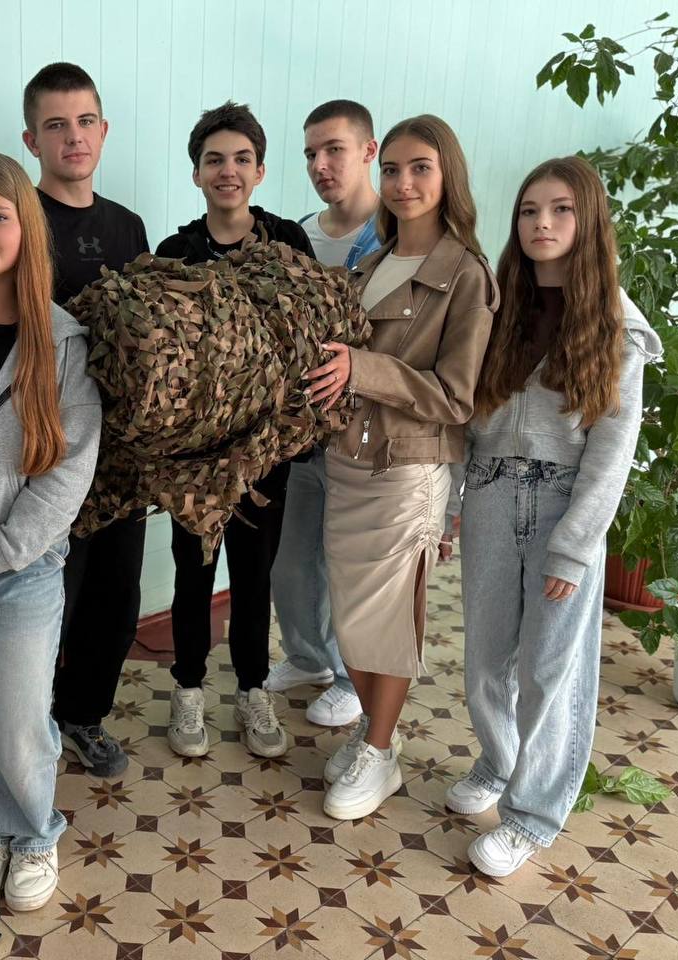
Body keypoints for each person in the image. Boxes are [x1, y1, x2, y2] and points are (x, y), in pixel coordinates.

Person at [441, 156, 661, 877]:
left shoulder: (617, 326)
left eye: (561, 209)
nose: (542, 223)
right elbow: (466, 418)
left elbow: (612, 450)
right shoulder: (499, 307)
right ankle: (499, 762)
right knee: (485, 661)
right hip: (491, 495)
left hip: (564, 504)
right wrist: (451, 505)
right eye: (530, 209)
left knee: (548, 669)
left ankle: (533, 816)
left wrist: (574, 547)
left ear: (588, 219)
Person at [304, 115, 497, 821]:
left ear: (448, 178)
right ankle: (373, 732)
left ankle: (380, 749)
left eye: (421, 168)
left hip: (406, 468)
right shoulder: (370, 260)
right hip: (347, 459)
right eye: (392, 169)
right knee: (351, 616)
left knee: (387, 620)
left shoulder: (466, 275)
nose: (403, 182)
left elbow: (457, 396)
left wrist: (365, 369)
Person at [0, 151, 101, 911]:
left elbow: (68, 471)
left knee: (14, 722)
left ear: (25, 228)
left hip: (18, 571)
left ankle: (33, 832)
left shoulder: (63, 342)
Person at [155, 101, 312, 761]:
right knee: (193, 573)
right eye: (214, 160)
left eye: (241, 159)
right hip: (194, 457)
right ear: (196, 173)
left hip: (267, 452)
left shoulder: (288, 243)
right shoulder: (175, 253)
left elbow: (309, 339)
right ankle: (188, 686)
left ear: (260, 170)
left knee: (254, 574)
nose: (228, 171)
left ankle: (252, 688)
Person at [21, 62, 150, 778]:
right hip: (47, 450)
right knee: (44, 601)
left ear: (104, 130)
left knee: (114, 598)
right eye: (56, 125)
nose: (74, 137)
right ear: (31, 140)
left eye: (86, 121)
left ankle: (83, 716)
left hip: (122, 457)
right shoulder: (17, 220)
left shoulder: (127, 225)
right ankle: (24, 729)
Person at [267, 99, 384, 729]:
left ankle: (348, 678)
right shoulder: (298, 237)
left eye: (334, 149)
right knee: (291, 561)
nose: (320, 164)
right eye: (311, 153)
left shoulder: (394, 240)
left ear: (368, 151)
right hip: (300, 434)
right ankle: (308, 657)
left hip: (363, 436)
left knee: (349, 566)